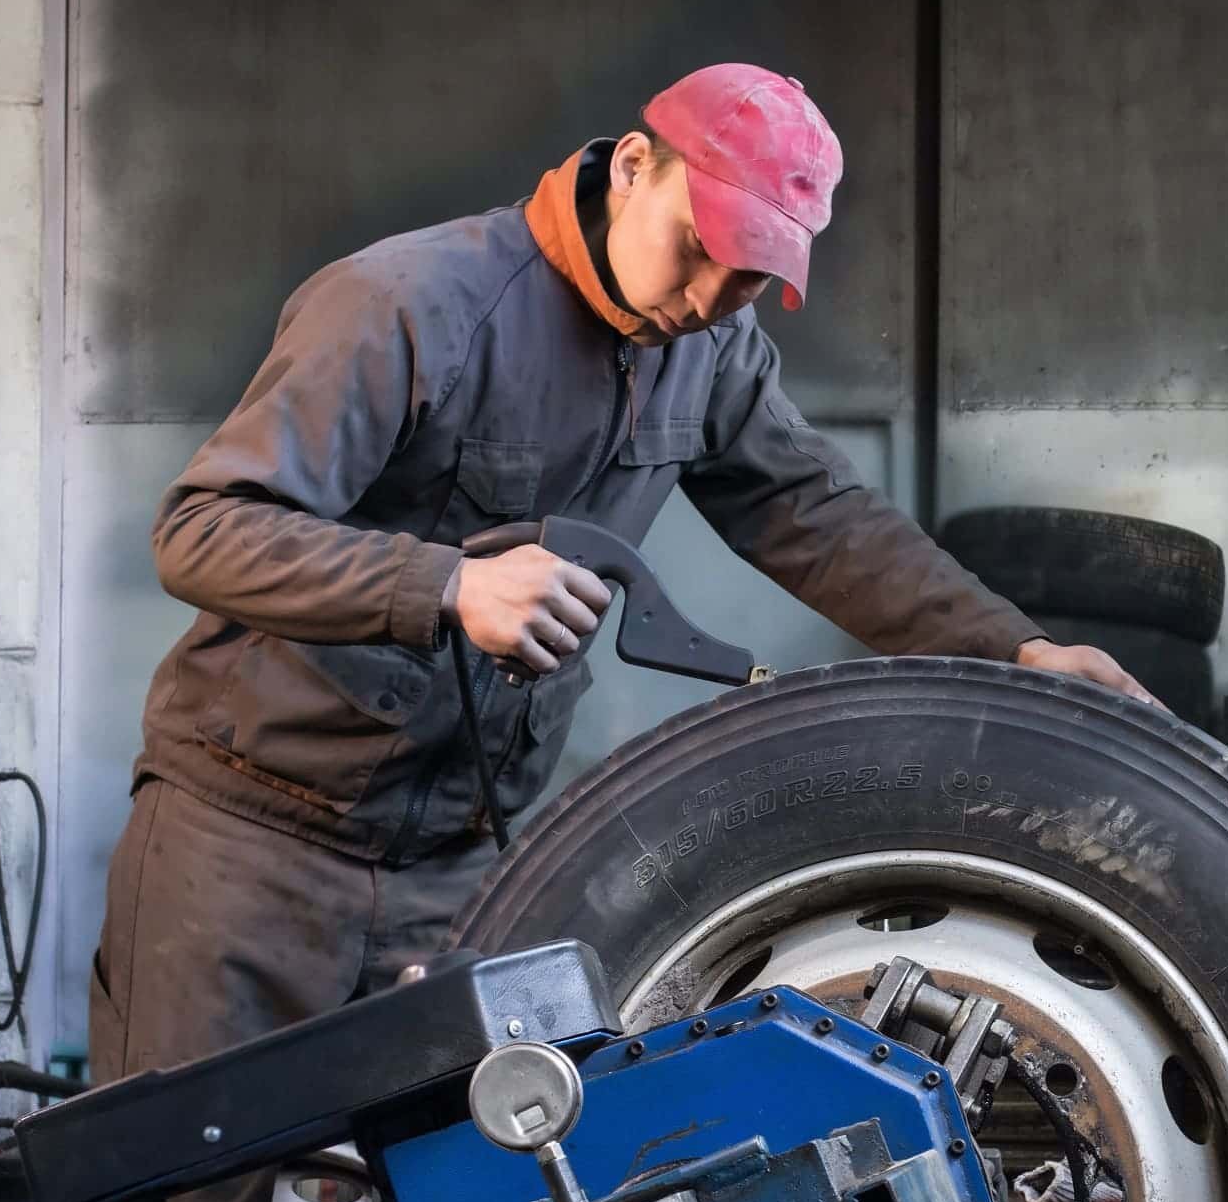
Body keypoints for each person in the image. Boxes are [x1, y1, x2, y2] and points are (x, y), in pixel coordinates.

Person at [91, 63, 1153, 1082]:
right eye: (700, 246)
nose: (709, 294)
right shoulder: (408, 304)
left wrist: (1012, 649)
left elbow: (817, 514)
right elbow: (201, 528)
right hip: (247, 846)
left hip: (459, 868)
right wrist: (447, 586)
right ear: (634, 166)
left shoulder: (713, 346)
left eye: (750, 272)